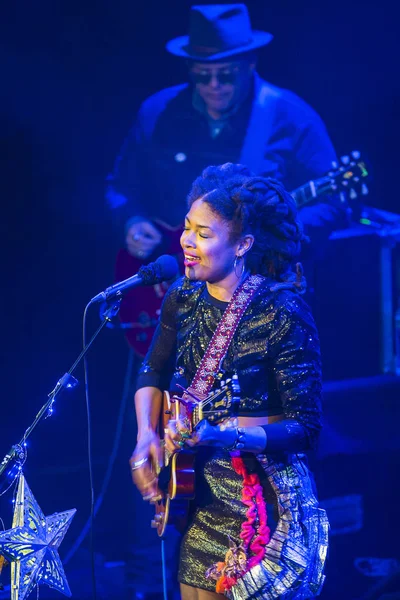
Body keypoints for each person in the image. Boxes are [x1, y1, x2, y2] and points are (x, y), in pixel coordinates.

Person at [129, 163, 329, 599]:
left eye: (204, 233)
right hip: (195, 493)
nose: (186, 242)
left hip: (264, 500)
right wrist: (146, 435)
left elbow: (306, 429)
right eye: (186, 228)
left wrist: (226, 435)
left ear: (243, 244)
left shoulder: (282, 312)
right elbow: (152, 370)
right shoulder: (182, 295)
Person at [107, 3, 341, 264]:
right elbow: (121, 186)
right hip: (169, 282)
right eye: (203, 76)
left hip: (261, 284)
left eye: (227, 76)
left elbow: (334, 203)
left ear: (250, 64)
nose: (214, 86)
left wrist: (280, 235)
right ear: (190, 68)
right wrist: (131, 220)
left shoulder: (293, 118)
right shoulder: (156, 112)